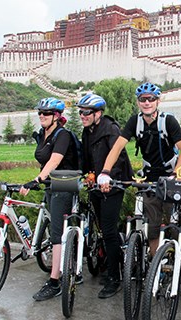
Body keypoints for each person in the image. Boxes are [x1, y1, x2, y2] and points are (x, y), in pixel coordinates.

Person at [98, 84, 181, 242]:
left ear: (157, 101)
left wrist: (176, 174)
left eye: (151, 99)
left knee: (178, 226)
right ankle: (156, 264)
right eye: (143, 99)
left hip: (171, 176)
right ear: (138, 102)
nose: (147, 103)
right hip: (149, 178)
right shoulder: (135, 122)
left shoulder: (168, 121)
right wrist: (105, 172)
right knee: (151, 229)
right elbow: (117, 148)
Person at [20, 97, 79, 301]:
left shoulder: (62, 135)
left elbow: (55, 159)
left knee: (56, 231)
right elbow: (44, 160)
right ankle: (57, 260)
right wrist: (41, 178)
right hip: (51, 182)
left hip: (65, 180)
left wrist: (37, 179)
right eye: (40, 113)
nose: (42, 116)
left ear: (56, 116)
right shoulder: (42, 135)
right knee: (50, 219)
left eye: (46, 113)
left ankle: (55, 281)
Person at [77, 93, 133, 298]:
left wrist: (109, 178)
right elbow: (88, 158)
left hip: (113, 184)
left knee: (108, 230)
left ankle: (115, 277)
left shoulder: (110, 129)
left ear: (98, 113)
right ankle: (109, 264)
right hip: (96, 186)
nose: (82, 115)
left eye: (86, 112)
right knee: (103, 228)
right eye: (80, 112)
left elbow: (119, 157)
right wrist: (85, 174)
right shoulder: (87, 131)